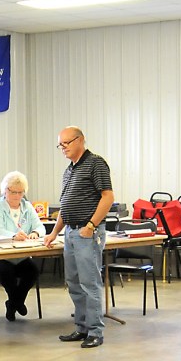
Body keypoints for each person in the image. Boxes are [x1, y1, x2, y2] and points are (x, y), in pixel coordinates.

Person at [43, 126, 114, 348]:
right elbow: (65, 206)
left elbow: (108, 197)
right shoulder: (69, 170)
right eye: (60, 144)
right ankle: (82, 328)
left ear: (80, 140)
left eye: (67, 143)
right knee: (73, 282)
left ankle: (95, 331)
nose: (63, 147)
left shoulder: (96, 163)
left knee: (89, 282)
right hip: (70, 233)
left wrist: (91, 225)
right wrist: (54, 232)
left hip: (87, 232)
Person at [0, 171, 45, 322]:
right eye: (13, 192)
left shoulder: (27, 206)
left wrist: (35, 233)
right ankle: (16, 302)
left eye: (20, 192)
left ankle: (13, 303)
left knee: (32, 271)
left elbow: (40, 226)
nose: (17, 196)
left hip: (20, 256)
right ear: (5, 191)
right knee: (7, 273)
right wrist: (13, 236)